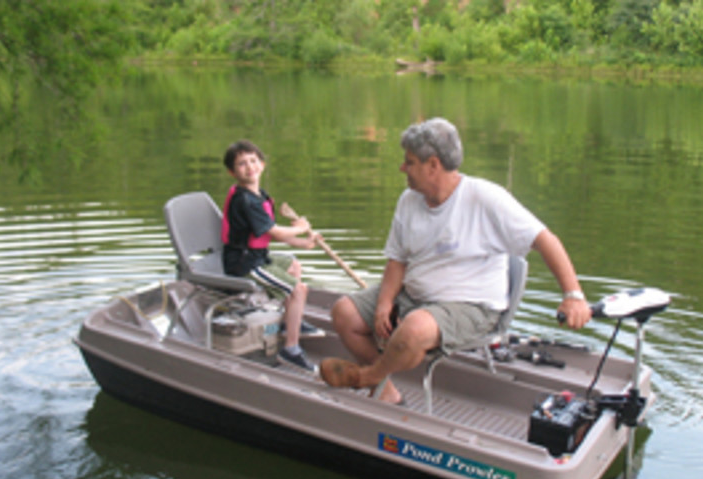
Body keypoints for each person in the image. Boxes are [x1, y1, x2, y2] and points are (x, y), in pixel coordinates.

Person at [320, 118, 592, 404]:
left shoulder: (486, 199)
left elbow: (545, 239)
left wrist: (573, 295)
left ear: (433, 165)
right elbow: (397, 260)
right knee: (343, 312)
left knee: (413, 330)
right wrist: (385, 303)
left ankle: (368, 377)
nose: (402, 168)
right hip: (414, 296)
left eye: (409, 162)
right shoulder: (408, 200)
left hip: (471, 307)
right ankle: (387, 389)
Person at [221, 139, 322, 372]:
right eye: (242, 164)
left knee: (294, 266)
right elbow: (272, 231)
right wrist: (300, 227)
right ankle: (291, 349)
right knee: (298, 289)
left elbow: (264, 236)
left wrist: (302, 242)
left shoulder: (258, 196)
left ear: (262, 164)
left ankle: (289, 323)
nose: (249, 167)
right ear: (232, 172)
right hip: (244, 263)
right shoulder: (245, 200)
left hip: (257, 255)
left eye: (253, 161)